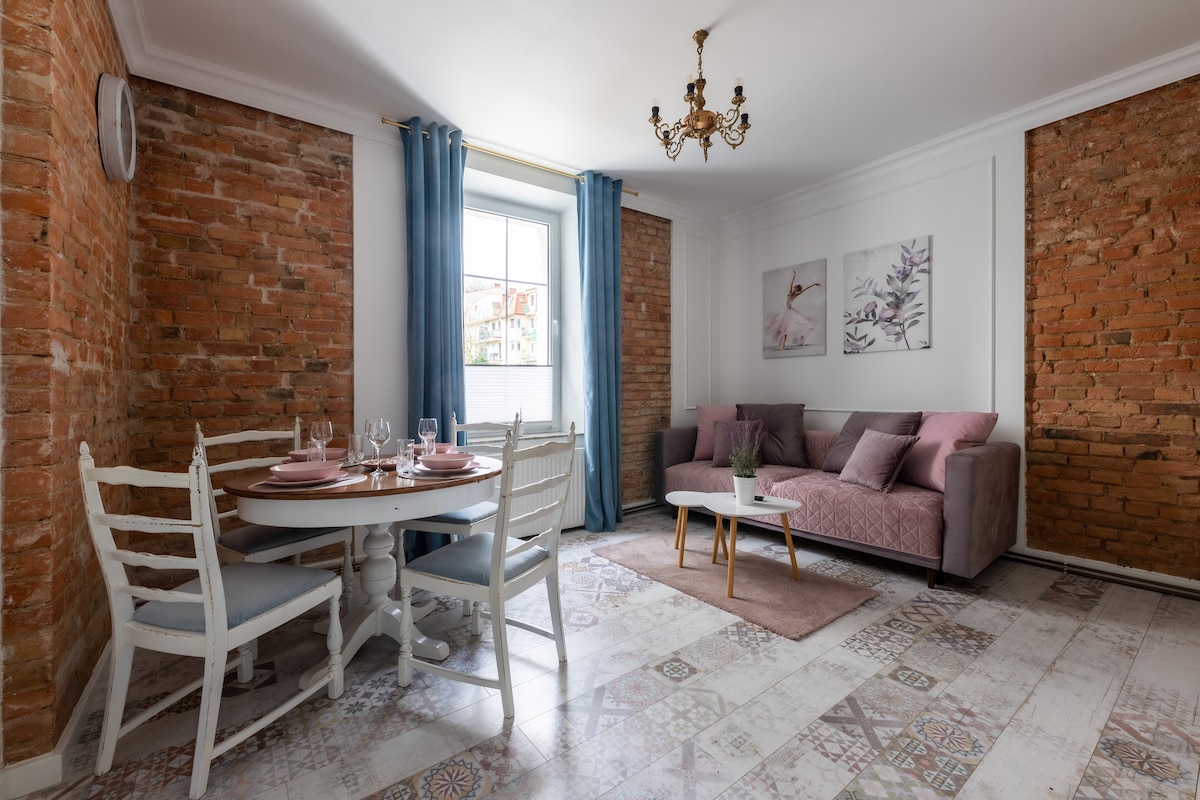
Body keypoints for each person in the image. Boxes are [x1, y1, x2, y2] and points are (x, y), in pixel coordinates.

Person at [765, 270, 820, 350]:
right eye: (795, 287)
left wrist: (813, 285)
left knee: (787, 328)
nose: (794, 288)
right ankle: (783, 343)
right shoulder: (790, 292)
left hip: (789, 312)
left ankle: (783, 345)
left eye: (796, 288)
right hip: (784, 311)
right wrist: (794, 275)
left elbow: (804, 290)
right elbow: (791, 282)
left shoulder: (795, 295)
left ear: (797, 290)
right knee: (781, 327)